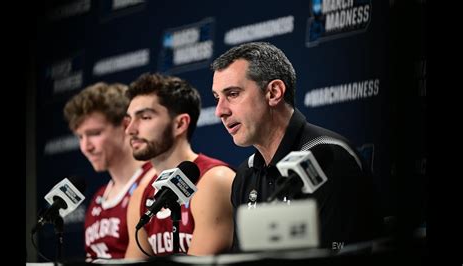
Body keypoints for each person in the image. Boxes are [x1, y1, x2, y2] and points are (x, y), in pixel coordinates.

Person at [211, 42, 382, 251]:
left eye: (233, 94)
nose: (220, 111)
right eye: (217, 98)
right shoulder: (245, 176)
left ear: (274, 92)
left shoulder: (329, 159)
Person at [123, 73, 235, 258]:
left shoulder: (213, 181)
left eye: (145, 117)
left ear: (180, 124)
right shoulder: (141, 193)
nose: (130, 130)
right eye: (129, 119)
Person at [63, 82, 153, 260]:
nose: (85, 147)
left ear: (126, 126)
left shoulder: (153, 182)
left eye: (95, 133)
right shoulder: (98, 198)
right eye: (80, 137)